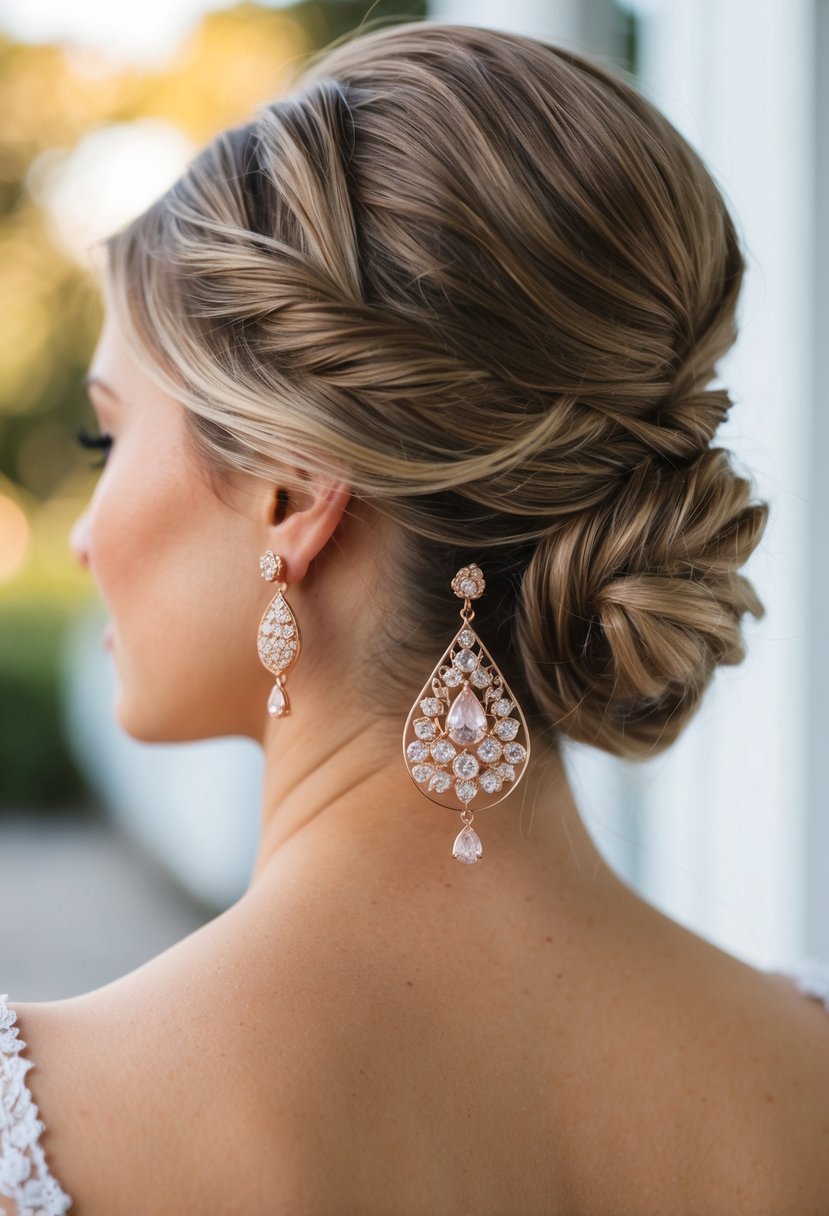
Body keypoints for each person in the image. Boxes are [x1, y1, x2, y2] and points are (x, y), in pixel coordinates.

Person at [2, 19, 828, 1215]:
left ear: (289, 489)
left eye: (108, 433)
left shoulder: (47, 1130)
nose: (85, 529)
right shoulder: (803, 1074)